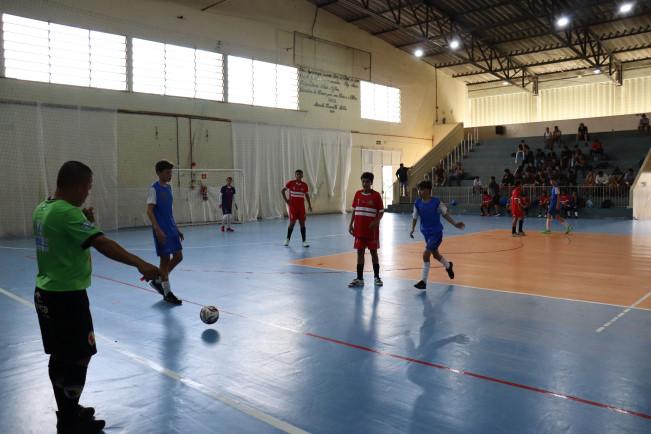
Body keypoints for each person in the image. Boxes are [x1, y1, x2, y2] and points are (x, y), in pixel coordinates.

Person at [33, 161, 162, 433]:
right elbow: (102, 243)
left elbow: (64, 237)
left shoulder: (44, 208)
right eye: (89, 188)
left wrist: (84, 222)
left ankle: (67, 411)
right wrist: (140, 263)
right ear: (79, 186)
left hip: (45, 292)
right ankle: (70, 422)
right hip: (66, 297)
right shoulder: (67, 213)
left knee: (59, 355)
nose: (88, 193)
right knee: (81, 356)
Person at [410, 179, 465, 289]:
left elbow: (445, 214)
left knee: (426, 255)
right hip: (426, 233)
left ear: (428, 190)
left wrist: (455, 223)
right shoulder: (417, 203)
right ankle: (448, 266)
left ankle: (423, 281)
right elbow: (415, 217)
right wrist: (412, 229)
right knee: (436, 255)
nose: (419, 192)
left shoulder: (436, 202)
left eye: (421, 189)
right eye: (418, 189)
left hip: (436, 233)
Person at [146, 160, 183, 305]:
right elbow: (149, 211)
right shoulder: (154, 189)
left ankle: (158, 280)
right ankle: (167, 293)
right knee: (165, 260)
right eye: (167, 172)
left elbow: (169, 212)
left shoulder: (168, 188)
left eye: (171, 172)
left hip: (171, 228)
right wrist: (157, 229)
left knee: (178, 257)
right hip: (162, 230)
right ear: (158, 173)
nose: (170, 175)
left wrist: (176, 229)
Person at [348, 172, 384, 287]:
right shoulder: (357, 194)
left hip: (371, 231)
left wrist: (376, 221)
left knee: (373, 253)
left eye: (367, 182)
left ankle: (377, 277)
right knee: (360, 253)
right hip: (359, 230)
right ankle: (359, 278)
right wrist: (351, 224)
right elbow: (354, 210)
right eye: (363, 181)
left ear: (371, 183)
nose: (365, 184)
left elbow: (381, 211)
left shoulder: (376, 195)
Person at [282, 169, 312, 247]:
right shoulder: (290, 183)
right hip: (293, 207)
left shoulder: (304, 185)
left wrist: (309, 205)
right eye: (297, 174)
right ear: (295, 175)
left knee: (302, 223)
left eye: (300, 174)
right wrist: (287, 201)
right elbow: (282, 190)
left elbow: (306, 195)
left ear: (302, 176)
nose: (299, 176)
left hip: (301, 207)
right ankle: (287, 239)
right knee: (292, 223)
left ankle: (304, 241)